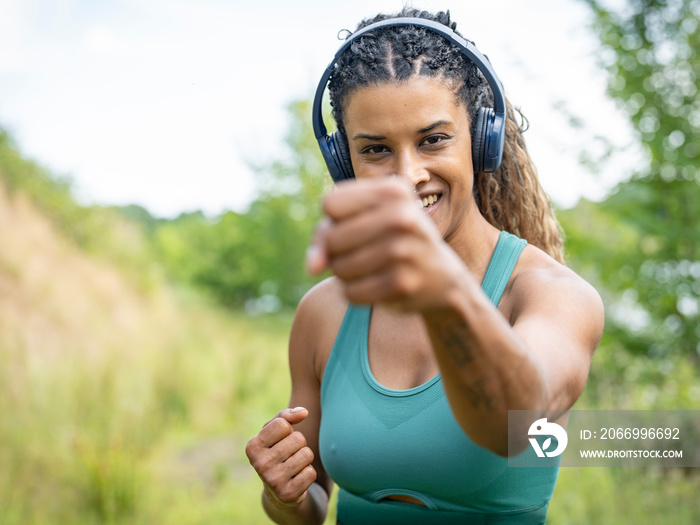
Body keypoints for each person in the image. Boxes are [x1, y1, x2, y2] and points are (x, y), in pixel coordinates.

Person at [245, 8, 604, 525]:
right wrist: (286, 496)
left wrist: (441, 289)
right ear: (343, 162)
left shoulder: (552, 297)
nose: (406, 176)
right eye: (375, 149)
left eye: (433, 139)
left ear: (482, 140)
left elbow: (515, 417)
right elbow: (312, 507)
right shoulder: (323, 312)